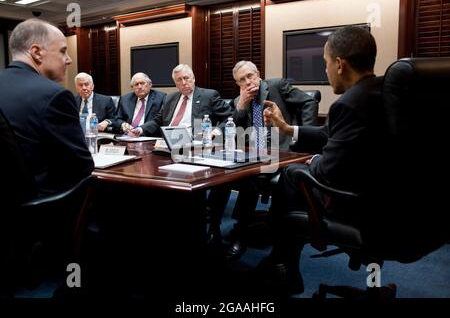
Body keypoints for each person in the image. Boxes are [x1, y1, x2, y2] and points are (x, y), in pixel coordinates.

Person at [260, 26, 384, 294]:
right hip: (389, 197)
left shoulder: (349, 103)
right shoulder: (382, 91)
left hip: (356, 202)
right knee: (294, 175)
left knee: (292, 175)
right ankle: (279, 256)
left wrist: (311, 160)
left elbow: (328, 171)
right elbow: (329, 134)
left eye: (325, 63)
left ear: (339, 64)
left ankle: (283, 265)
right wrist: (287, 128)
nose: (325, 71)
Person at [207, 60, 318, 259]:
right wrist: (241, 105)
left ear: (258, 74)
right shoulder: (238, 101)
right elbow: (234, 128)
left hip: (280, 150)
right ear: (238, 84)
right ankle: (213, 228)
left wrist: (302, 141)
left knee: (249, 179)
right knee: (220, 174)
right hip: (252, 152)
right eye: (242, 80)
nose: (248, 82)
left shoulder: (276, 86)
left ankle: (241, 233)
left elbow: (309, 102)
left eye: (250, 76)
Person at [0, 18, 94, 197]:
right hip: (45, 211)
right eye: (63, 51)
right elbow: (81, 166)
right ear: (36, 52)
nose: (69, 59)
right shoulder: (54, 95)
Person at [128, 64, 232, 137]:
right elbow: (157, 121)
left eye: (186, 78)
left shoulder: (208, 96)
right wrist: (140, 129)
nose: (183, 82)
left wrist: (216, 131)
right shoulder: (169, 98)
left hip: (193, 142)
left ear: (193, 78)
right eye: (179, 80)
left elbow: (230, 117)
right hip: (166, 142)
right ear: (175, 83)